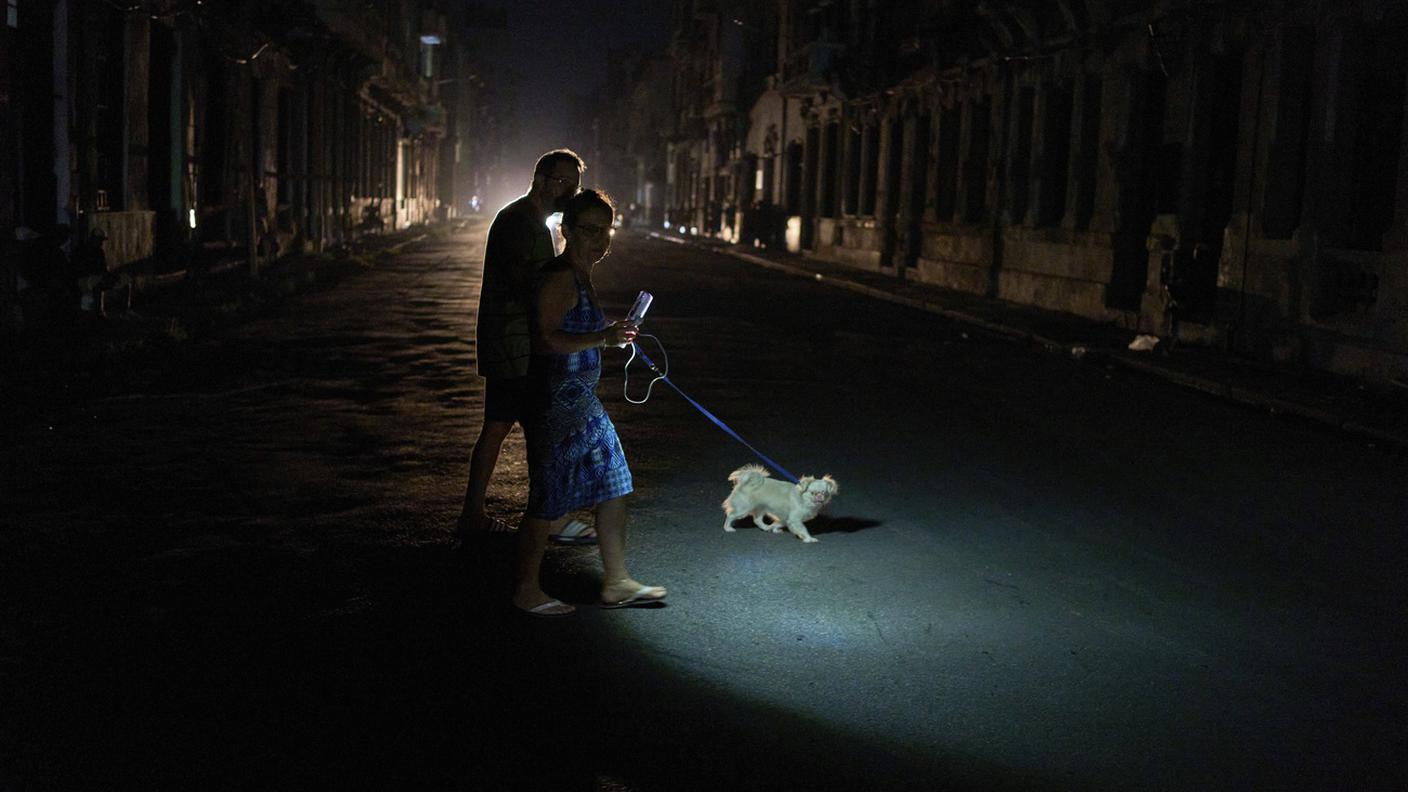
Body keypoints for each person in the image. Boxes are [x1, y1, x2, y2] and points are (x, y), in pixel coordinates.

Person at [513, 189, 667, 616]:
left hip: (583, 404)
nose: (599, 239)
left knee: (615, 482)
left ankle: (616, 581)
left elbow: (577, 330)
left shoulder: (581, 275)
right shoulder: (561, 276)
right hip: (553, 404)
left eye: (606, 231)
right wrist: (603, 336)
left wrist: (612, 333)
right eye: (589, 230)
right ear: (566, 230)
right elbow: (545, 340)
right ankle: (526, 590)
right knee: (546, 500)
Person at [460, 149, 597, 545]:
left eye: (575, 186)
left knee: (500, 427)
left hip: (514, 344)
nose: (570, 193)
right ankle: (549, 517)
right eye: (564, 183)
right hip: (517, 346)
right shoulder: (520, 223)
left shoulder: (529, 221)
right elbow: (530, 286)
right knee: (541, 431)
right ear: (540, 180)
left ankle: (474, 516)